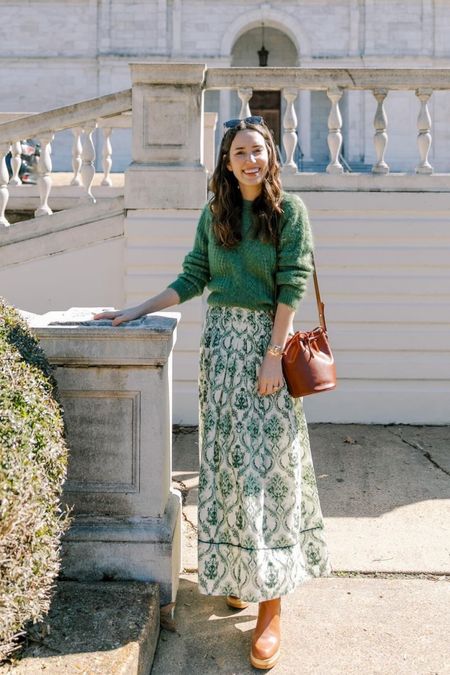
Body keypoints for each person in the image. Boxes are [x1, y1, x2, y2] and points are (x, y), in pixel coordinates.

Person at [94, 116, 331, 670]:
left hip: (265, 351)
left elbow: (292, 283)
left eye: (259, 150)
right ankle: (239, 576)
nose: (251, 160)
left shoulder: (289, 212)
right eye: (240, 152)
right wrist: (137, 308)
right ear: (226, 162)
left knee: (270, 472)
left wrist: (274, 355)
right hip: (221, 350)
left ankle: (272, 607)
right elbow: (195, 275)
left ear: (272, 155)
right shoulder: (215, 213)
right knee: (226, 469)